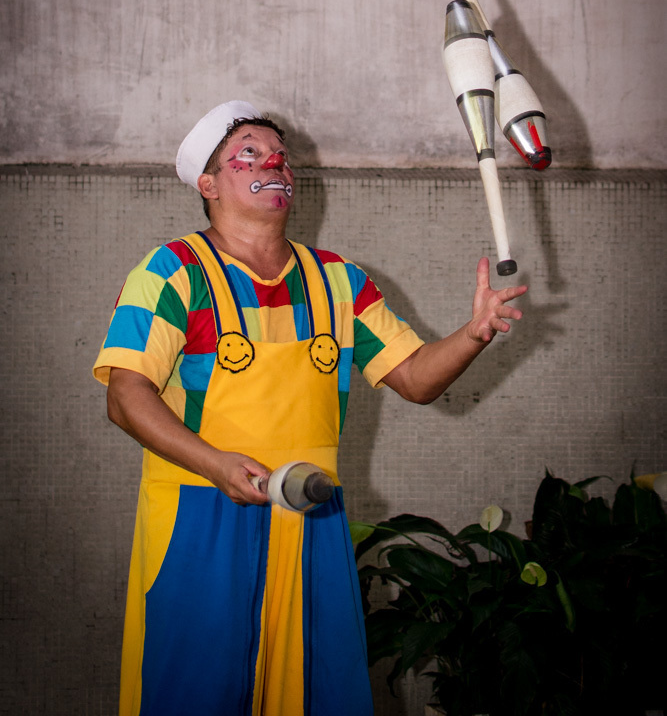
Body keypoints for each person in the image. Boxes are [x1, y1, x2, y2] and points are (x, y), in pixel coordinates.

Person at [93, 100, 527, 716]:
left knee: (320, 695)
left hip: (311, 513)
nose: (274, 161)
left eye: (281, 153)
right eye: (248, 152)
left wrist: (475, 332)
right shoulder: (170, 273)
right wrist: (215, 464)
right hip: (197, 518)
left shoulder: (341, 281)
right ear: (208, 184)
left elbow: (415, 378)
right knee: (191, 693)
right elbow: (124, 395)